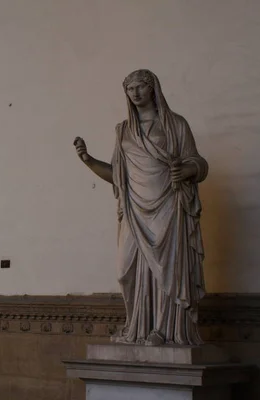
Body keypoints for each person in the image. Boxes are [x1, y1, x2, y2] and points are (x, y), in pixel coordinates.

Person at [74, 69, 208, 346]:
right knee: (126, 270)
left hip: (169, 206)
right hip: (134, 210)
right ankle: (138, 327)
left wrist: (187, 170)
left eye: (140, 87)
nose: (134, 93)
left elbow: (199, 163)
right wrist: (88, 160)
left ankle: (164, 330)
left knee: (165, 269)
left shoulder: (175, 125)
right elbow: (118, 176)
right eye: (130, 89)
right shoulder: (123, 130)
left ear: (153, 89)